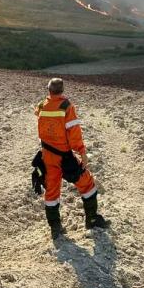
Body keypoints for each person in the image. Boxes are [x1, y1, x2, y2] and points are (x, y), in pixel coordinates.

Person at [35, 77, 110, 238]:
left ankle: (55, 228)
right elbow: (74, 135)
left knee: (52, 190)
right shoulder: (66, 106)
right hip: (64, 156)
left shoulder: (41, 106)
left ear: (49, 90)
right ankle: (91, 219)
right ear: (62, 91)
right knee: (87, 183)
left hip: (47, 156)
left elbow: (41, 121)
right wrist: (82, 153)